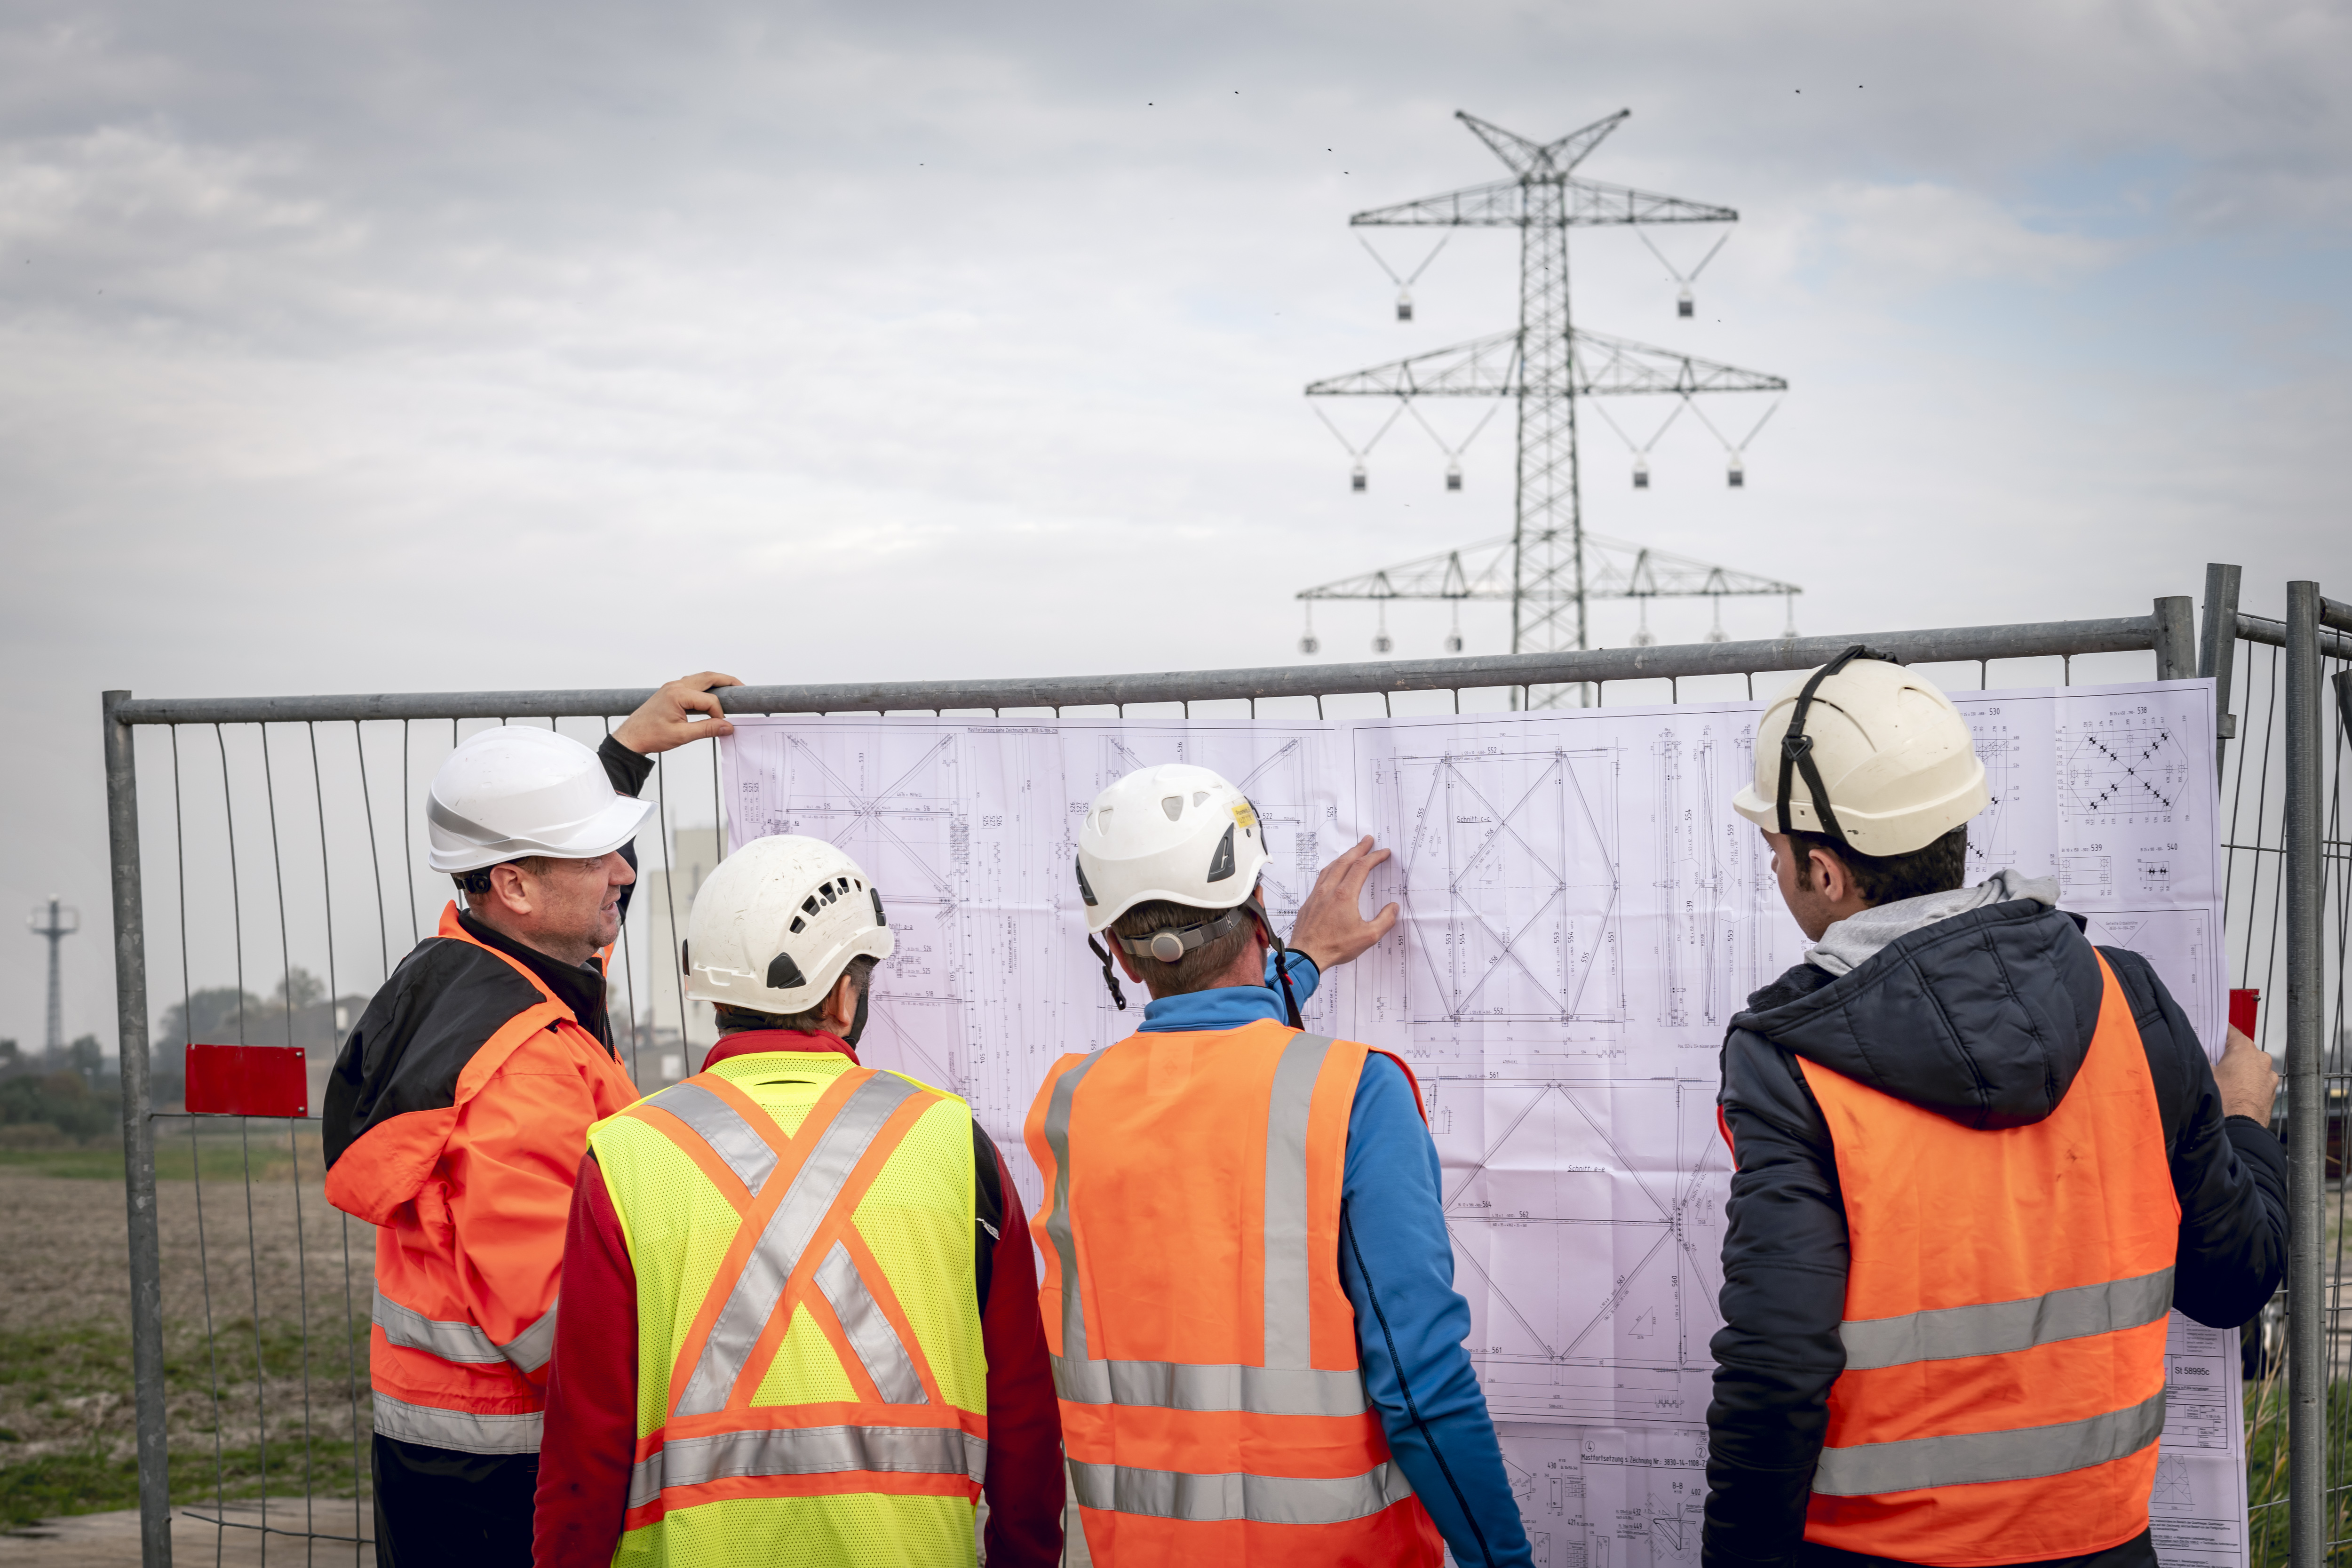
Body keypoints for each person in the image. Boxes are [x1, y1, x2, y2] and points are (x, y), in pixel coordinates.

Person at [1705, 649, 2289, 1568]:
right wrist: (2246, 1116)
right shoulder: (2125, 1002)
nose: (1772, 862)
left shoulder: (1790, 1054)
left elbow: (1777, 1372)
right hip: (2104, 1550)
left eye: (1773, 845)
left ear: (1824, 870)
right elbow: (2234, 1275)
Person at [1026, 763, 1536, 1566]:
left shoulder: (1067, 1108)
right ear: (1260, 911)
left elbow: (1209, 1060)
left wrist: (1296, 965)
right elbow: (1422, 1383)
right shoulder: (1357, 1096)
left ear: (1122, 957)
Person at [531, 835, 1065, 1565]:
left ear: (714, 992)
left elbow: (583, 1448)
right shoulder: (952, 1143)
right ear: (845, 994)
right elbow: (1024, 1414)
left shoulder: (628, 1154)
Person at [323, 673, 741, 1567]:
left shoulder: (474, 963)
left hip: (456, 1447)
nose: (626, 874)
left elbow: (577, 905)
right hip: (504, 1472)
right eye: (601, 855)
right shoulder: (521, 1066)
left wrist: (620, 762)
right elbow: (558, 1326)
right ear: (511, 883)